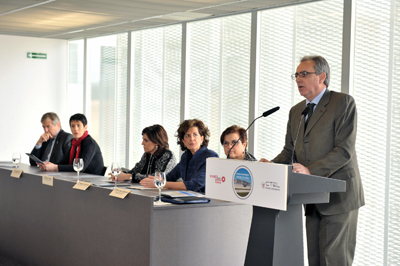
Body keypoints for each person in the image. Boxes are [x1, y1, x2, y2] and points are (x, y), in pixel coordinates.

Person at [261, 55, 364, 266]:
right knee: (315, 259)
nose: (299, 79)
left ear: (322, 77)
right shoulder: (296, 111)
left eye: (304, 74)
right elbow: (290, 152)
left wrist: (310, 170)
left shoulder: (342, 103)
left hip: (338, 197)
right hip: (311, 197)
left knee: (334, 260)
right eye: (297, 75)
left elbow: (344, 151)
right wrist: (270, 167)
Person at [140, 119, 219, 192]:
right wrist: (157, 179)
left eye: (195, 134)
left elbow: (195, 184)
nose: (191, 138)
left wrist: (162, 183)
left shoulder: (210, 156)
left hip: (205, 201)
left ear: (202, 139)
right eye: (187, 136)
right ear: (183, 141)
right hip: (188, 197)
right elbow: (171, 177)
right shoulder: (186, 156)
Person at [39, 113, 105, 175]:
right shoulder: (74, 143)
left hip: (93, 179)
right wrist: (48, 165)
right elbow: (64, 162)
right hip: (80, 177)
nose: (75, 129)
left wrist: (54, 167)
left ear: (85, 127)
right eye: (73, 126)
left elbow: (80, 167)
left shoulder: (90, 143)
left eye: (78, 125)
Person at [108, 125, 176, 182]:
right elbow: (134, 171)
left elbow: (157, 177)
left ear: (156, 142)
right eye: (143, 140)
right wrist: (120, 174)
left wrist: (128, 176)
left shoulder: (167, 155)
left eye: (146, 140)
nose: (142, 143)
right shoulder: (147, 154)